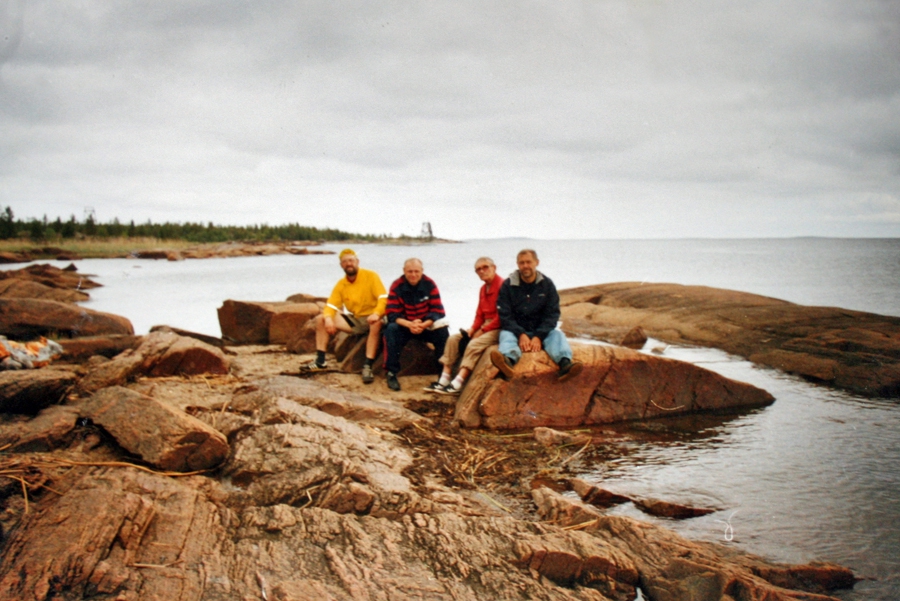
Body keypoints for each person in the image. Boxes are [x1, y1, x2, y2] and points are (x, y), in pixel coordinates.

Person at [491, 249, 583, 381]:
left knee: (557, 335)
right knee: (506, 335)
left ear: (537, 262)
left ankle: (565, 365)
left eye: (528, 262)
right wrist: (520, 334)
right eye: (522, 263)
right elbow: (505, 315)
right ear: (517, 264)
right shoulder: (508, 285)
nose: (525, 266)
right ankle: (508, 362)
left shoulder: (547, 284)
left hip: (540, 331)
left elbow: (552, 314)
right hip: (516, 331)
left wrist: (539, 336)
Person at [304, 248, 387, 384]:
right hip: (356, 320)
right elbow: (331, 305)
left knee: (376, 323)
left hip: (374, 317)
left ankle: (367, 366)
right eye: (345, 261)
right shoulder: (341, 284)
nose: (349, 264)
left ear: (357, 262)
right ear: (341, 265)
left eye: (351, 260)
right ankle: (320, 361)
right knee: (321, 319)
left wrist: (376, 313)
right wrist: (328, 319)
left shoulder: (371, 276)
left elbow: (383, 298)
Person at [425, 256, 504, 395]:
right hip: (485, 324)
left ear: (494, 268)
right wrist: (473, 329)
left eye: (485, 267)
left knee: (474, 344)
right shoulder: (483, 289)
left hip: (499, 327)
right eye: (478, 269)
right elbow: (480, 314)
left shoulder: (503, 286)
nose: (482, 271)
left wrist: (483, 330)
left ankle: (459, 382)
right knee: (453, 339)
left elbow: (502, 316)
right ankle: (444, 379)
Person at [383, 258, 449, 391]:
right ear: (404, 271)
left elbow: (438, 311)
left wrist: (423, 325)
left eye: (416, 271)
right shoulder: (396, 286)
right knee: (391, 329)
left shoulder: (430, 284)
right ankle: (391, 373)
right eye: (410, 271)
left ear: (422, 271)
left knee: (443, 332)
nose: (413, 274)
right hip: (405, 325)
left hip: (425, 325)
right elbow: (392, 313)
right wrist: (410, 324)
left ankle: (442, 375)